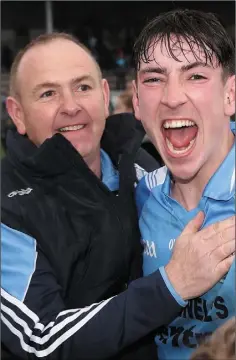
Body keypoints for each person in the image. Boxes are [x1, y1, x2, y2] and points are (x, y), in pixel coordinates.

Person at [1, 32, 235, 360]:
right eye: (48, 93)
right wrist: (172, 285)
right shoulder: (8, 205)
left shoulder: (143, 165)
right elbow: (41, 340)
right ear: (18, 114)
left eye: (82, 87)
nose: (71, 106)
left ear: (105, 94)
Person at [133, 8, 235, 360]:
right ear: (135, 101)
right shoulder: (133, 197)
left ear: (231, 95)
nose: (172, 97)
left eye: (195, 76)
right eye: (154, 79)